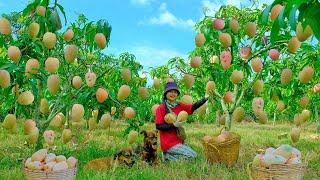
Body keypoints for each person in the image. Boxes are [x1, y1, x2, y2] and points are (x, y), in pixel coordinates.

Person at [155, 81, 208, 161]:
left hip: (178, 141)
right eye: (170, 92)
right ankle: (167, 157)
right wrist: (174, 125)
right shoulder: (161, 108)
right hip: (168, 143)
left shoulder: (179, 105)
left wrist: (204, 99)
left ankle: (168, 155)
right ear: (165, 93)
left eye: (175, 92)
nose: (173, 94)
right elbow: (158, 126)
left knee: (193, 155)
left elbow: (192, 107)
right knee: (193, 156)